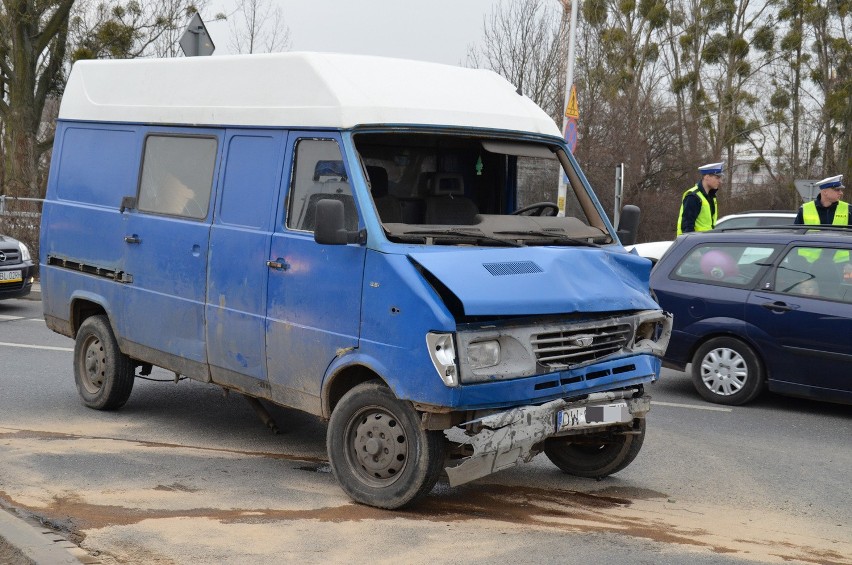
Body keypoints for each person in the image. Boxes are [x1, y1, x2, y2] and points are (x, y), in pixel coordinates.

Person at [676, 162, 723, 235]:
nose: (720, 181)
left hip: (704, 242)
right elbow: (687, 226)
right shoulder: (693, 196)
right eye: (717, 178)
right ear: (706, 177)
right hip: (695, 243)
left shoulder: (711, 197)